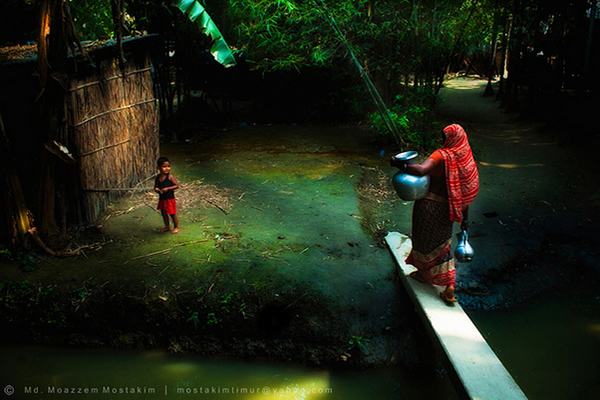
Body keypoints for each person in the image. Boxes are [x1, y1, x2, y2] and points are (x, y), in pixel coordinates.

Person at [390, 124, 479, 304]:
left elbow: (421, 170)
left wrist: (399, 163)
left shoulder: (442, 155)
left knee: (424, 241)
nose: (441, 141)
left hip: (430, 206)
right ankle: (449, 286)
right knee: (442, 244)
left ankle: (426, 275)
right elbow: (465, 191)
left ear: (450, 139)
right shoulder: (465, 159)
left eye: (443, 137)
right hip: (450, 208)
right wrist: (465, 219)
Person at [154, 157, 180, 234]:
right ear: (158, 168)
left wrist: (168, 189)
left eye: (168, 166)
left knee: (172, 213)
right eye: (164, 167)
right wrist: (156, 189)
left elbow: (176, 186)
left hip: (169, 199)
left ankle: (176, 227)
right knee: (164, 213)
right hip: (162, 199)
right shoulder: (158, 177)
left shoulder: (170, 177)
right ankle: (167, 226)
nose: (167, 169)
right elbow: (156, 186)